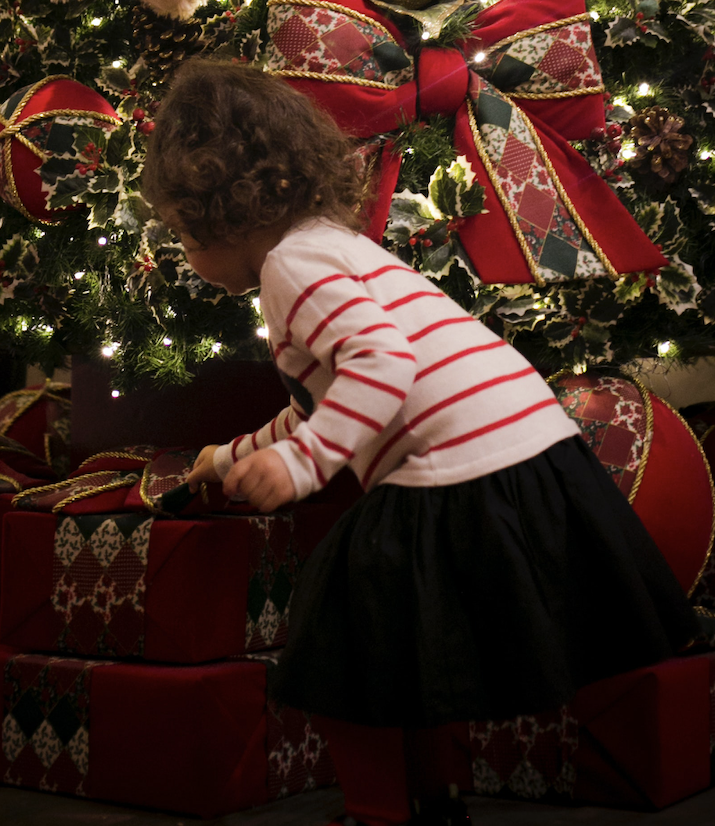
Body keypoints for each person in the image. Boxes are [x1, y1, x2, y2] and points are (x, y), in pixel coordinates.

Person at [141, 58, 702, 826]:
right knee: (410, 654)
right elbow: (327, 398)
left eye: (180, 232)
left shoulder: (290, 269)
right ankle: (433, 801)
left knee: (341, 643)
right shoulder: (334, 249)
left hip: (459, 469)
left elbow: (381, 364)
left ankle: (383, 813)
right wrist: (234, 457)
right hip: (530, 451)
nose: (184, 255)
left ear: (220, 212)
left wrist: (302, 466)